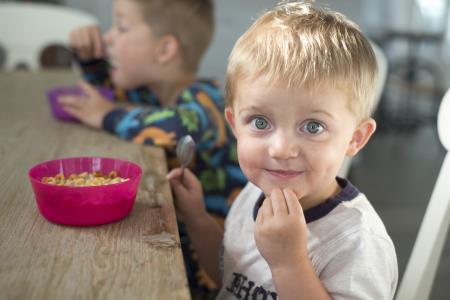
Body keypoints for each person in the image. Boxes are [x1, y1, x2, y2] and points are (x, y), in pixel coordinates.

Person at [167, 1, 398, 299]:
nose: (281, 149)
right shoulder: (253, 195)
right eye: (260, 121)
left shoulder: (358, 242)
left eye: (313, 126)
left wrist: (290, 264)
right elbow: (229, 276)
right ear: (235, 124)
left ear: (355, 138)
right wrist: (197, 218)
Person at [60, 0, 246, 297]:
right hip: (178, 242)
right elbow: (113, 88)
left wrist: (106, 114)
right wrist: (90, 60)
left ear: (164, 50)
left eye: (121, 27)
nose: (108, 37)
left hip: (215, 273)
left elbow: (176, 127)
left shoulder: (207, 98)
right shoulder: (152, 93)